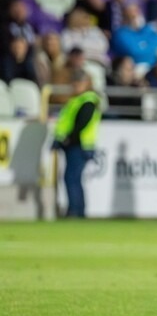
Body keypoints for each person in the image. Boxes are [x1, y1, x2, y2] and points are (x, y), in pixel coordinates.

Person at [52, 71, 101, 218]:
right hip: (76, 144)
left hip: (80, 145)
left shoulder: (87, 100)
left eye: (78, 82)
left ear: (86, 83)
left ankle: (75, 210)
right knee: (74, 178)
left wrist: (67, 139)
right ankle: (78, 210)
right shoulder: (78, 100)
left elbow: (81, 123)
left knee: (72, 178)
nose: (75, 86)